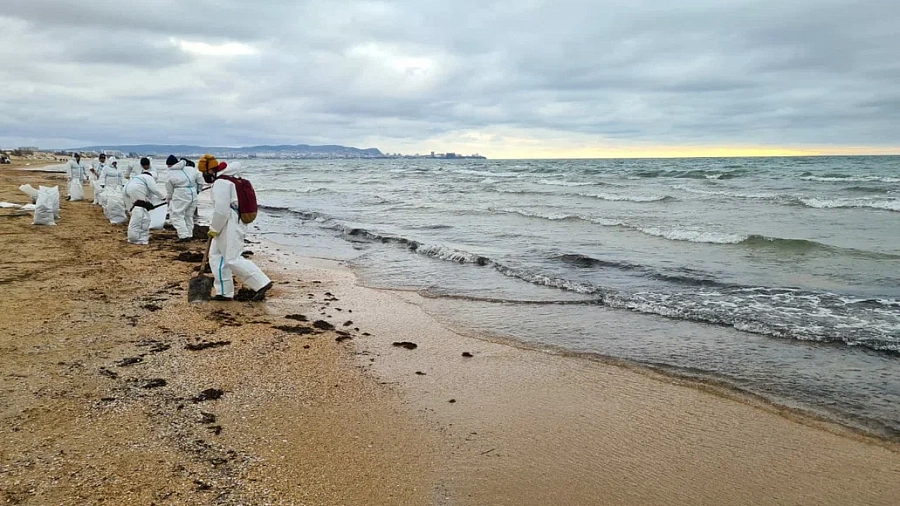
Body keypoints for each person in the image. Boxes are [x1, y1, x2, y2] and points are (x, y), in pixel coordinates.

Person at [208, 161, 273, 301]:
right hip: (234, 221)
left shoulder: (221, 183)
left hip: (229, 223)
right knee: (216, 255)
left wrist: (214, 228)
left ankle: (262, 282)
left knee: (232, 258)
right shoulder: (232, 179)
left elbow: (221, 210)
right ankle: (224, 292)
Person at [124, 157, 166, 245]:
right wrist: (163, 198)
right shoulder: (149, 177)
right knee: (141, 212)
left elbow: (147, 194)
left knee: (135, 210)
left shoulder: (139, 177)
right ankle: (137, 238)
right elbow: (155, 190)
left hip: (127, 189)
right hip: (135, 190)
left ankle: (136, 235)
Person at [164, 154, 204, 242]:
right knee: (189, 215)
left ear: (169, 165)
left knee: (176, 215)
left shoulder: (170, 173)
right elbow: (200, 181)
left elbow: (169, 188)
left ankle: (183, 235)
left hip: (180, 193)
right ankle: (189, 234)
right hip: (192, 193)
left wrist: (169, 198)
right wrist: (198, 190)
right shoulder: (191, 169)